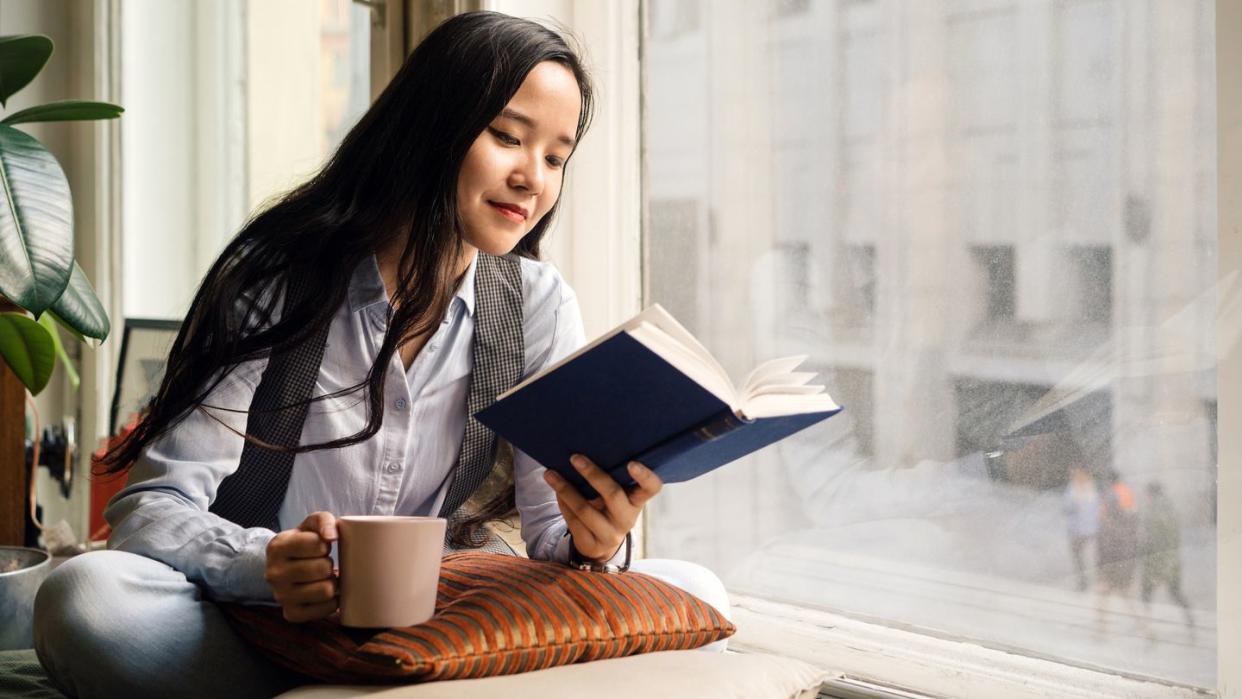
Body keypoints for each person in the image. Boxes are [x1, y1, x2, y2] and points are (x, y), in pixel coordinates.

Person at [32, 12, 727, 699]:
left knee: (699, 590)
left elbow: (553, 539)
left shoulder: (538, 305)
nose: (532, 178)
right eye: (508, 137)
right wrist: (265, 563)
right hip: (257, 624)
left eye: (555, 156)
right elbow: (151, 507)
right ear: (432, 128)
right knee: (86, 598)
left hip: (430, 631)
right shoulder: (277, 278)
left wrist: (595, 539)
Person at [1139, 481, 1195, 641]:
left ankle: (1149, 632)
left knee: (1146, 595)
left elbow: (1152, 542)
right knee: (1176, 593)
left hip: (1155, 563)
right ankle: (1190, 621)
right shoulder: (1171, 510)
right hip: (1173, 561)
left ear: (1150, 494)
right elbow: (1174, 539)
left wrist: (1155, 567)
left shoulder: (1152, 512)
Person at [1094, 468, 1142, 638]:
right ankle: (1146, 630)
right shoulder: (1127, 493)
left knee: (1103, 595)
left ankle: (1103, 632)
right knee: (1126, 596)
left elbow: (1106, 536)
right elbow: (1133, 524)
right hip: (1126, 557)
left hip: (1112, 559)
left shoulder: (1109, 498)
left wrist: (1102, 564)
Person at [1063, 465, 1100, 591]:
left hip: (1078, 530)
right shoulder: (1092, 488)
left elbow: (1067, 507)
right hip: (1091, 530)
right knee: (1083, 556)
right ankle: (1088, 581)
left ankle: (1083, 582)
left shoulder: (1074, 489)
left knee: (1077, 556)